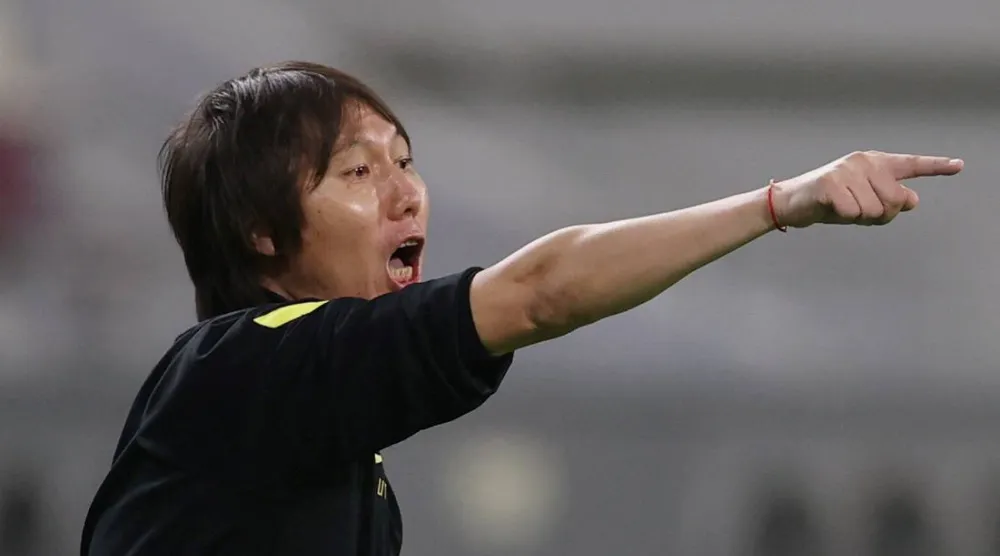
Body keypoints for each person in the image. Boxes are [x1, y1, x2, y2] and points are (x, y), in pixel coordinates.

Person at [80, 61, 964, 556]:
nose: (408, 195)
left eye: (406, 160)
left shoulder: (320, 429)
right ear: (259, 233)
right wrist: (779, 204)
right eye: (358, 171)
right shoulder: (244, 370)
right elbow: (542, 292)